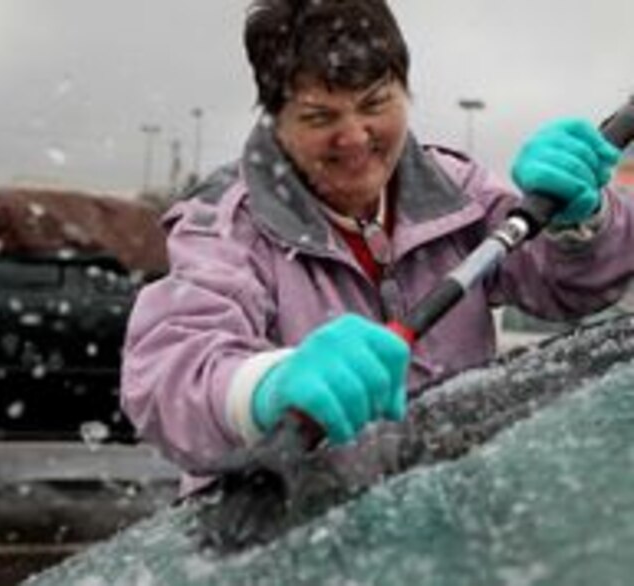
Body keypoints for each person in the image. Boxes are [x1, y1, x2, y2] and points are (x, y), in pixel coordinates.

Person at [121, 0, 631, 494]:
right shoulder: (226, 225)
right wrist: (265, 388)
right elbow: (168, 373)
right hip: (291, 545)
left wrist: (582, 223)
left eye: (374, 104)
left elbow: (569, 288)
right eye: (321, 117)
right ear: (275, 119)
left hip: (448, 530)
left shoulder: (458, 192)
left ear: (404, 93)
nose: (356, 138)